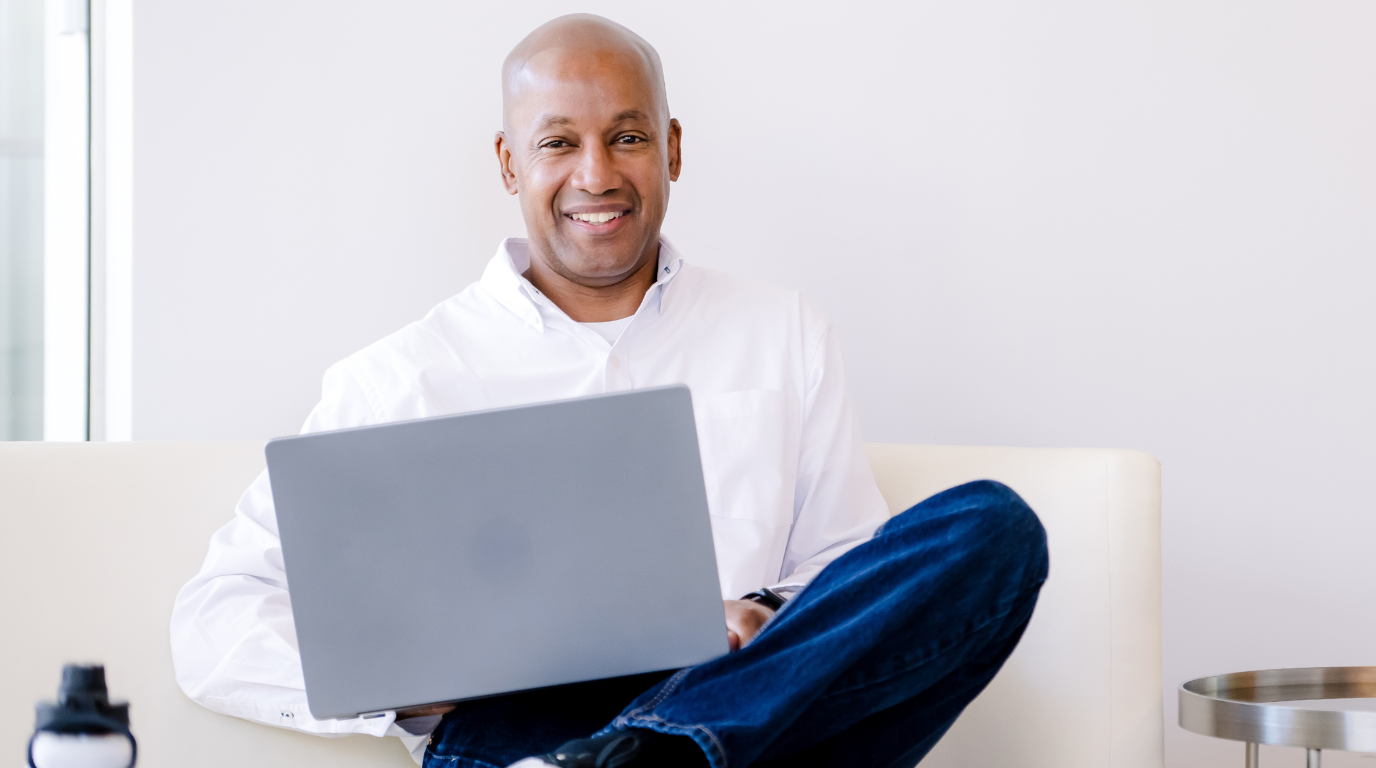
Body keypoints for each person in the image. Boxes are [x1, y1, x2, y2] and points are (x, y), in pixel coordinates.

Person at [169, 14, 1047, 768]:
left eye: (626, 136)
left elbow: (850, 576)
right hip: (521, 738)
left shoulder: (784, 333)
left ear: (670, 148)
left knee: (994, 527)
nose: (597, 174)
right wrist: (407, 681)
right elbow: (214, 620)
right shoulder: (402, 377)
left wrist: (760, 615)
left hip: (754, 719)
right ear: (511, 164)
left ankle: (657, 755)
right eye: (559, 143)